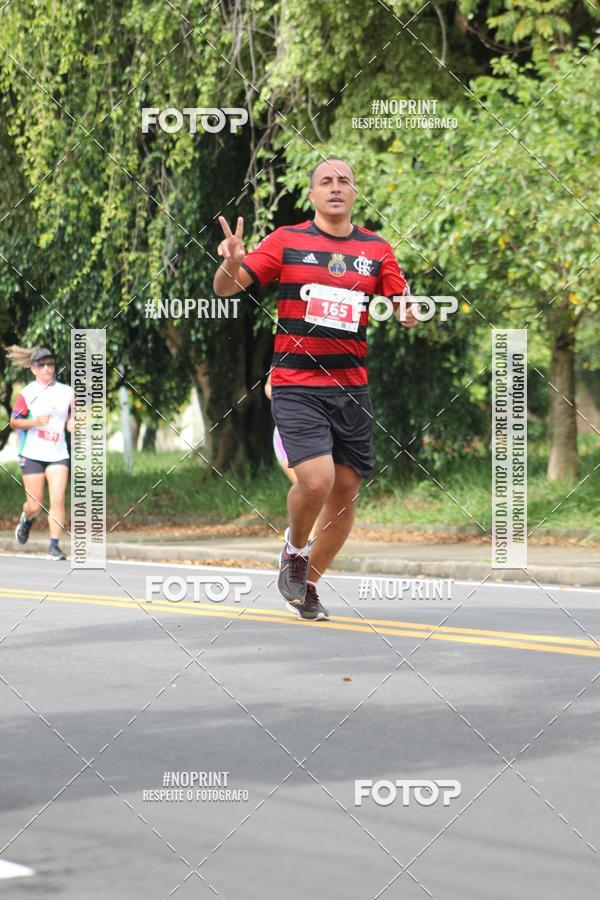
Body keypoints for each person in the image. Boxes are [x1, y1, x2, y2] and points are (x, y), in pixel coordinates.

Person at [213, 158, 418, 620]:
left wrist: (409, 311)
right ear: (312, 195)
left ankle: (305, 586)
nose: (336, 187)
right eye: (326, 181)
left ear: (355, 192)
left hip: (352, 389)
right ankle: (294, 549)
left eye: (344, 181)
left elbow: (401, 300)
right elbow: (226, 288)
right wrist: (231, 262)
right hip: (296, 384)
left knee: (344, 497)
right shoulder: (287, 240)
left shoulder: (376, 249)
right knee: (317, 480)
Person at [7, 345, 73, 561]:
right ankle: (27, 519)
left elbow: (73, 415)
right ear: (33, 369)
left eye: (50, 364)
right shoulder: (27, 393)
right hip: (32, 453)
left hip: (58, 454)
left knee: (58, 500)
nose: (47, 368)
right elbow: (14, 421)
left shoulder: (67, 392)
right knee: (35, 505)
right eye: (42, 365)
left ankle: (54, 546)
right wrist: (35, 422)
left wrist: (73, 423)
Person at [265, 372, 297, 484]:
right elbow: (269, 385)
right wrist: (280, 398)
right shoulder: (284, 361)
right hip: (284, 436)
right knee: (302, 486)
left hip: (319, 437)